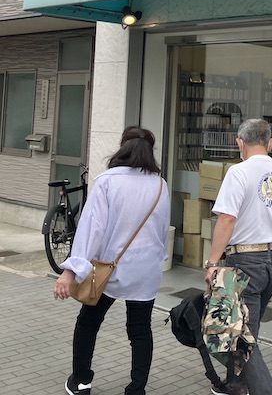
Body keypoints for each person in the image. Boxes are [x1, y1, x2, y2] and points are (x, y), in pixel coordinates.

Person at [54, 126, 171, 395]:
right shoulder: (160, 184)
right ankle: (136, 389)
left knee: (89, 322)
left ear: (123, 147)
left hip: (109, 269)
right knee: (140, 329)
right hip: (146, 270)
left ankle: (81, 381)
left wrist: (71, 271)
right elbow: (163, 228)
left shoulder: (108, 181)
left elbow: (91, 228)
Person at [204, 118, 272, 395]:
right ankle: (236, 384)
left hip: (244, 260)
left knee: (242, 334)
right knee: (245, 327)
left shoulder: (238, 172)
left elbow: (227, 219)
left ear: (239, 142)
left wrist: (213, 261)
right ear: (270, 143)